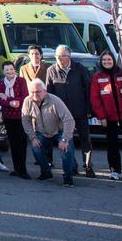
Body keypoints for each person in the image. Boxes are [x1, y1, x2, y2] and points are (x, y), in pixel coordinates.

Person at [89, 50, 122, 181]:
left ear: (114, 60)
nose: (107, 62)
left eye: (109, 59)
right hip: (109, 118)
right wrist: (101, 117)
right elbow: (95, 99)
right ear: (101, 62)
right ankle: (115, 171)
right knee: (112, 145)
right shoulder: (97, 77)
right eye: (104, 60)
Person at [45, 45, 94, 178]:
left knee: (85, 140)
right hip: (62, 114)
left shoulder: (79, 69)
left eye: (63, 56)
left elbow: (88, 89)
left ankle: (88, 166)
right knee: (67, 139)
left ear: (69, 56)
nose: (60, 59)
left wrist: (89, 109)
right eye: (57, 56)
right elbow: (49, 93)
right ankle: (72, 166)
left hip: (80, 111)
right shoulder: (51, 70)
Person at [22, 78, 77, 186]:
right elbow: (25, 120)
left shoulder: (55, 100)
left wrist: (65, 139)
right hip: (42, 132)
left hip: (60, 131)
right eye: (32, 92)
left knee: (66, 150)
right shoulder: (27, 101)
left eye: (38, 91)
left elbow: (69, 119)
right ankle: (46, 173)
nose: (35, 94)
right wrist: (32, 137)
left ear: (45, 91)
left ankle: (68, 178)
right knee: (35, 148)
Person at [0, 60, 30, 178]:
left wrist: (7, 98)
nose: (9, 72)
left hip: (20, 116)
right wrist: (11, 102)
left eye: (11, 69)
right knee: (13, 143)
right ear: (3, 71)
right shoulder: (0, 83)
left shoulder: (21, 81)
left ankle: (23, 170)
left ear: (14, 69)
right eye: (6, 70)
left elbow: (24, 97)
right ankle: (16, 168)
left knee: (22, 143)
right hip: (8, 116)